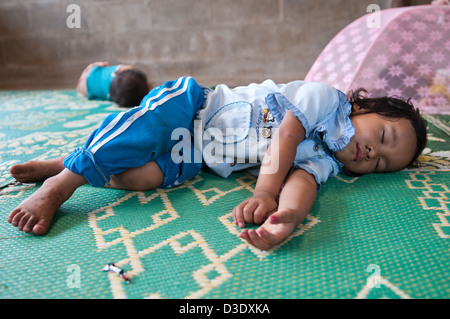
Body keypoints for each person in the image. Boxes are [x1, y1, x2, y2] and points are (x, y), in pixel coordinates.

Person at [7, 76, 427, 250]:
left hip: (197, 156)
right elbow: (287, 134)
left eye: (382, 165)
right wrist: (265, 190)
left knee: (142, 178)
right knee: (140, 132)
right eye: (384, 137)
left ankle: (68, 163)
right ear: (362, 106)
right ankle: (59, 185)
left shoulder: (326, 163)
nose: (374, 155)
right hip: (193, 108)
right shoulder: (326, 100)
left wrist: (288, 217)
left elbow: (303, 184)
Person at [76, 61, 151, 108]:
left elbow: (131, 71)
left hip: (92, 72)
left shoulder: (119, 73)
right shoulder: (115, 96)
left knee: (106, 64)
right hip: (86, 87)